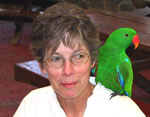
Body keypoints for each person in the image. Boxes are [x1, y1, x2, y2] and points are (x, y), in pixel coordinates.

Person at [13, 2, 146, 117]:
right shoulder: (32, 105)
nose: (68, 71)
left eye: (78, 56)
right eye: (56, 59)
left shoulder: (123, 111)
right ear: (41, 66)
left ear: (94, 60)